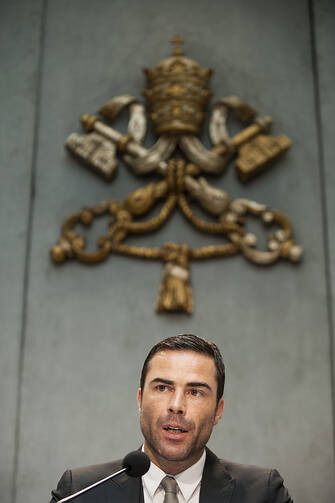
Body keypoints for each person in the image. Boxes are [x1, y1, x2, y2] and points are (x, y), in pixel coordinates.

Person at [50, 334, 292, 502]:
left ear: (218, 410)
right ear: (140, 400)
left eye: (195, 392)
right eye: (163, 388)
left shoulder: (263, 494)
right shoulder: (80, 492)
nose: (177, 406)